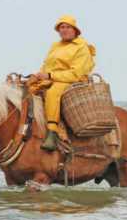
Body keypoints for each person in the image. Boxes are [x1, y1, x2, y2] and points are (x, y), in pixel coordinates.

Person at [31, 15, 96, 151]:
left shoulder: (81, 47)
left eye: (67, 27)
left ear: (75, 30)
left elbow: (75, 74)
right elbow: (46, 65)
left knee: (53, 92)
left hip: (72, 81)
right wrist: (38, 76)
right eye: (61, 27)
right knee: (28, 89)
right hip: (52, 78)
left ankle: (52, 132)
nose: (64, 30)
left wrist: (50, 75)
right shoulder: (55, 46)